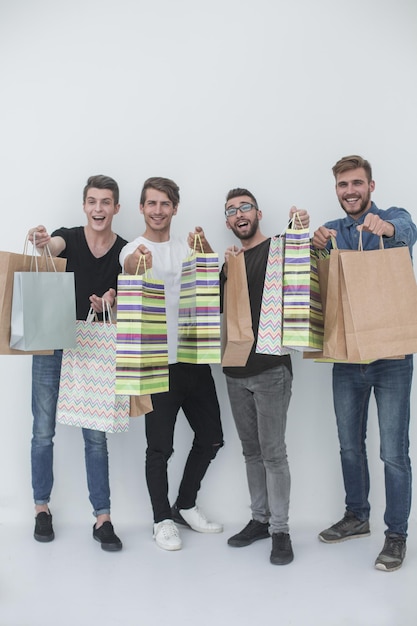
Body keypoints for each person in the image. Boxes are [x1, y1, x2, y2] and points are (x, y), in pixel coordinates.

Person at [312, 155, 417, 572]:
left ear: (371, 186)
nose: (350, 191)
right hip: (346, 356)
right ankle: (357, 516)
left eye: (357, 183)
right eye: (343, 185)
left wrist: (387, 229)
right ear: (336, 190)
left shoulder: (393, 217)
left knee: (393, 451)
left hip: (391, 358)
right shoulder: (333, 231)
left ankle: (396, 534)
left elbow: (410, 232)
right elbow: (311, 276)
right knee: (349, 446)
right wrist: (309, 239)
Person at [120, 176, 223, 551]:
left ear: (175, 208)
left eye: (165, 204)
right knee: (159, 448)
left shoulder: (186, 247)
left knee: (212, 437)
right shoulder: (134, 248)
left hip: (194, 358)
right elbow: (129, 268)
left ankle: (185, 504)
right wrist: (137, 263)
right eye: (151, 203)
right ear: (142, 208)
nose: (158, 210)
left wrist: (208, 251)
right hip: (155, 362)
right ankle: (161, 518)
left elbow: (210, 283)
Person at [28, 174, 127, 551]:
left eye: (105, 202)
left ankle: (102, 518)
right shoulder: (66, 237)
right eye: (92, 202)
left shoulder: (123, 249)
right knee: (42, 431)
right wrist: (41, 242)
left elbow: (125, 288)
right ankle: (41, 509)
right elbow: (49, 248)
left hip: (93, 345)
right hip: (52, 339)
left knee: (95, 435)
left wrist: (112, 299)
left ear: (116, 208)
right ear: (84, 206)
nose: (98, 209)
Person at [220, 187, 309, 565]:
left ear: (258, 212)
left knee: (273, 453)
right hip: (234, 372)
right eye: (231, 210)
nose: (239, 214)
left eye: (245, 207)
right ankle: (259, 519)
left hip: (271, 370)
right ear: (228, 221)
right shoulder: (230, 264)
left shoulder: (279, 248)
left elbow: (308, 263)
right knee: (251, 451)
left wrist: (301, 229)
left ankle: (281, 530)